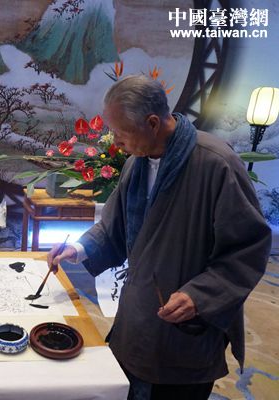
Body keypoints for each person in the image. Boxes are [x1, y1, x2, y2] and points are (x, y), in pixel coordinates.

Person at [48, 75, 271, 400]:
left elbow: (248, 249)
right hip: (137, 317)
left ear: (152, 123)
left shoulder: (215, 164)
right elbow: (114, 227)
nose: (115, 142)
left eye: (121, 133)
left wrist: (199, 295)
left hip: (184, 324)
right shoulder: (135, 164)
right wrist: (78, 248)